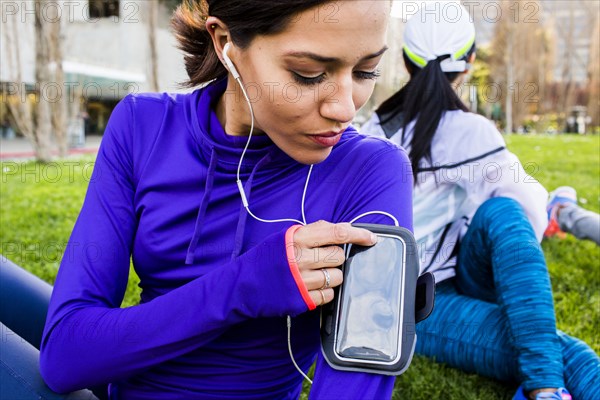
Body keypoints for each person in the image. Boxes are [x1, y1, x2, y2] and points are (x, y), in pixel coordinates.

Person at [39, 1, 414, 399]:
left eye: (365, 71)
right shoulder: (141, 126)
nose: (344, 108)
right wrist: (243, 286)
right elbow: (64, 357)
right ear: (225, 42)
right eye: (309, 74)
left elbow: (356, 380)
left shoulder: (372, 170)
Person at [361, 4, 599, 400]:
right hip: (419, 312)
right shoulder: (472, 131)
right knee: (569, 355)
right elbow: (528, 211)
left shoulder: (371, 132)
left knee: (501, 211)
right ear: (469, 62)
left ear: (405, 62)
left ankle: (543, 385)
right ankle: (545, 388)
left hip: (405, 292)